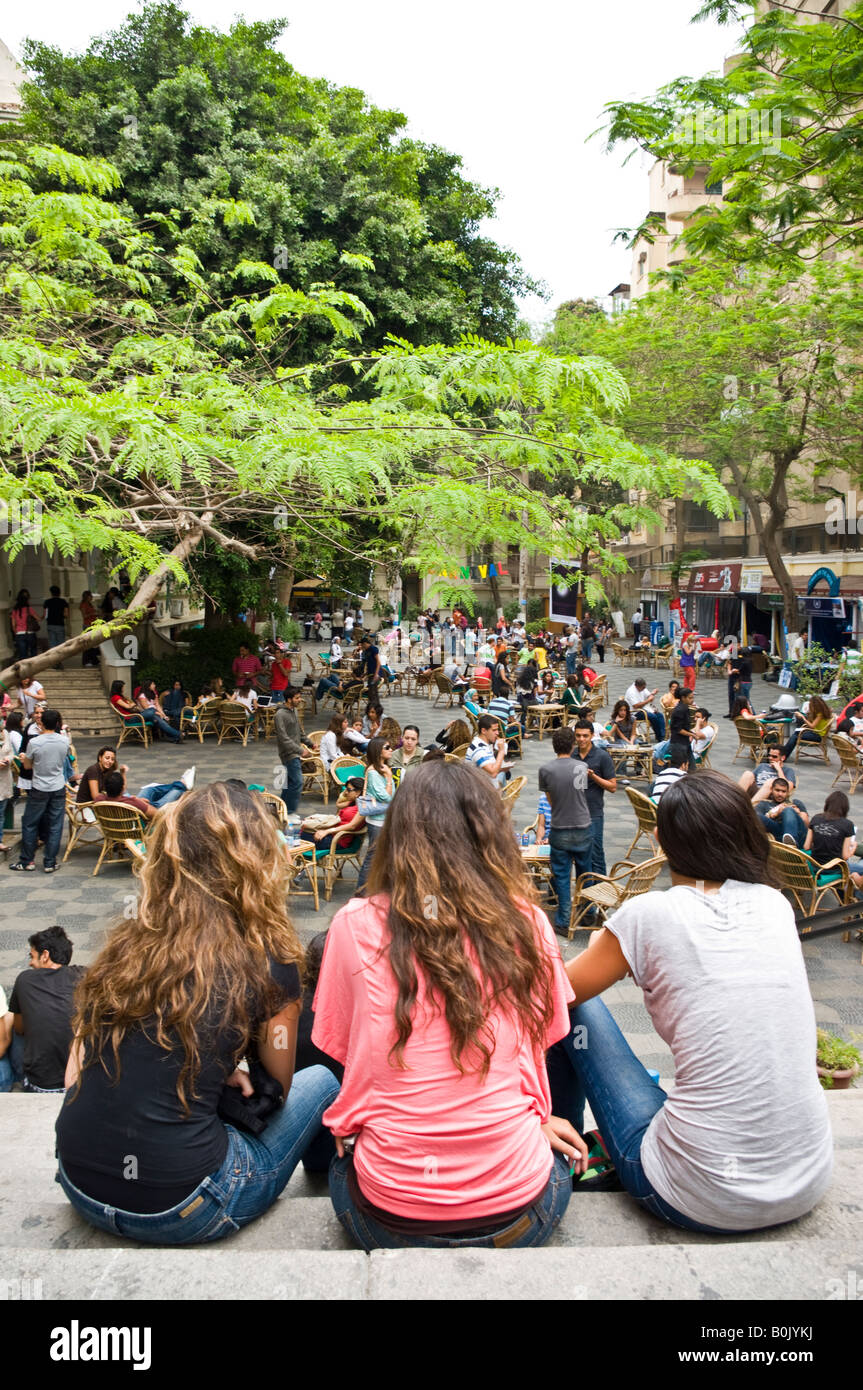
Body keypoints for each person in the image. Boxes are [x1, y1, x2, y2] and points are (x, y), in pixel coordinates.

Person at [315, 760, 586, 1250]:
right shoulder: (528, 922)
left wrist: (357, 1117)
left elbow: (342, 1049)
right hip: (521, 1214)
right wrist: (530, 1117)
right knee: (575, 1009)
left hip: (385, 1219)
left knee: (342, 1159)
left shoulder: (352, 924)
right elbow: (543, 1037)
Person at [547, 771, 833, 1235]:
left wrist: (606, 940)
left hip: (689, 1193)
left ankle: (561, 1151)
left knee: (575, 1008)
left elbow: (554, 993)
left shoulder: (649, 913)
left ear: (661, 840)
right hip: (806, 1179)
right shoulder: (774, 903)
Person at [55, 783, 340, 1242]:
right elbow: (278, 1091)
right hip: (185, 1204)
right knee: (322, 1081)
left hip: (78, 1182)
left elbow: (77, 1075)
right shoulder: (270, 960)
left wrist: (205, 1069)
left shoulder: (127, 944)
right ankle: (328, 1182)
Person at [8, 927, 84, 1093]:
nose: (30, 963)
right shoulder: (83, 975)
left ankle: (14, 1082)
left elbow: (20, 1028)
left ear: (45, 955)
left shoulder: (24, 980)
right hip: (78, 1083)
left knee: (12, 1026)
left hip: (39, 1085)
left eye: (32, 956)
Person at [538, 725, 593, 937]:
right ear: (572, 745)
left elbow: (550, 800)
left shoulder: (545, 770)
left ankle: (563, 920)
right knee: (584, 872)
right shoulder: (581, 766)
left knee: (561, 875)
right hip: (582, 825)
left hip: (559, 828)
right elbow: (580, 795)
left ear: (554, 746)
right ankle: (587, 912)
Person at [10, 708, 69, 874]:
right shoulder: (63, 741)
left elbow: (28, 766)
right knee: (55, 825)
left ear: (42, 722)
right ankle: (50, 862)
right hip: (58, 786)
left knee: (29, 823)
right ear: (57, 723)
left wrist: (24, 759)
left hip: (39, 787)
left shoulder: (35, 742)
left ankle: (27, 860)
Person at [572, 719, 616, 877]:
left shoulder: (602, 756)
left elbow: (613, 787)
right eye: (578, 736)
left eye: (585, 736)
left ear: (592, 735)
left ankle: (600, 894)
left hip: (594, 812)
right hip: (575, 813)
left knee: (596, 854)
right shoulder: (572, 756)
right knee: (580, 856)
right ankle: (583, 894)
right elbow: (575, 786)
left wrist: (594, 776)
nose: (581, 739)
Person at [354, 737, 394, 892]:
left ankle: (379, 890)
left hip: (383, 820)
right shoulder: (373, 772)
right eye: (387, 747)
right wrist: (389, 778)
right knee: (372, 857)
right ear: (378, 751)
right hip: (377, 821)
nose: (391, 750)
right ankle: (360, 893)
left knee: (383, 857)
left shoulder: (381, 769)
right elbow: (386, 797)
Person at [805, 790, 863, 889]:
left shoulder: (816, 818)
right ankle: (848, 897)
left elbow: (806, 846)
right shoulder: (847, 824)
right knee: (859, 869)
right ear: (845, 808)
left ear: (827, 804)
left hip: (815, 866)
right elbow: (845, 856)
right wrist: (854, 847)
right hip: (835, 868)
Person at [275, 689, 316, 815]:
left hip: (295, 751)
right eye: (297, 698)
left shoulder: (294, 711)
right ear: (289, 699)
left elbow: (299, 731)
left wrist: (310, 743)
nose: (300, 700)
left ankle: (282, 809)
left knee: (290, 782)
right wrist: (300, 750)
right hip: (288, 753)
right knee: (297, 782)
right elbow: (283, 738)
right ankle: (290, 812)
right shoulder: (280, 715)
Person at [752, 776, 809, 848]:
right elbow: (756, 819)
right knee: (756, 816)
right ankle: (788, 841)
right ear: (771, 790)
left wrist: (797, 813)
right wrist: (774, 814)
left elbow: (806, 824)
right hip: (778, 832)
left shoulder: (796, 803)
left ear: (788, 792)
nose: (780, 794)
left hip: (797, 834)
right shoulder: (764, 804)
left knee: (788, 810)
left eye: (783, 791)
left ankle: (791, 843)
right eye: (777, 790)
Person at [466, 715, 508, 789]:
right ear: (484, 731)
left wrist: (502, 768)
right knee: (502, 776)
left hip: (484, 784)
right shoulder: (478, 748)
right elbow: (493, 773)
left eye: (497, 730)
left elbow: (491, 767)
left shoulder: (486, 744)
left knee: (503, 774)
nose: (497, 733)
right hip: (480, 790)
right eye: (494, 730)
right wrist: (501, 751)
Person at [10, 589, 40, 661]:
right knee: (33, 652)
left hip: (19, 633)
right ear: (27, 600)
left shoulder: (15, 610)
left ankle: (24, 670)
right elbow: (38, 619)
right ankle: (33, 668)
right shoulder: (29, 609)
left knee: (23, 655)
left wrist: (16, 632)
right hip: (30, 633)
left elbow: (13, 624)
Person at [43, 586, 69, 659]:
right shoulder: (63, 602)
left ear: (51, 593)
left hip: (50, 625)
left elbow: (45, 615)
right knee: (60, 644)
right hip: (60, 625)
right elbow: (66, 614)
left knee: (52, 643)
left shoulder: (47, 602)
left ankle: (54, 659)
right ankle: (59, 659)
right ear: (59, 593)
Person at [0, 720, 13, 855]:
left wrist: (8, 759)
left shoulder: (5, 734)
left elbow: (10, 752)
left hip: (3, 778)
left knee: (1, 812)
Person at [727, 650, 753, 716]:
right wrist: (730, 671)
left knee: (742, 698)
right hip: (741, 679)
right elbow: (729, 663)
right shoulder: (748, 661)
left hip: (741, 680)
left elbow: (740, 670)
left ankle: (748, 713)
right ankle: (732, 712)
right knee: (732, 695)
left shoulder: (745, 661)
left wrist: (734, 671)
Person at [79, 591, 100, 667]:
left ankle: (94, 660)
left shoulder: (90, 604)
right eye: (90, 596)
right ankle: (86, 660)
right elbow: (84, 616)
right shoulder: (84, 605)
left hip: (92, 624)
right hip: (87, 625)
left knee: (93, 643)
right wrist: (93, 614)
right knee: (87, 643)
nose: (91, 597)